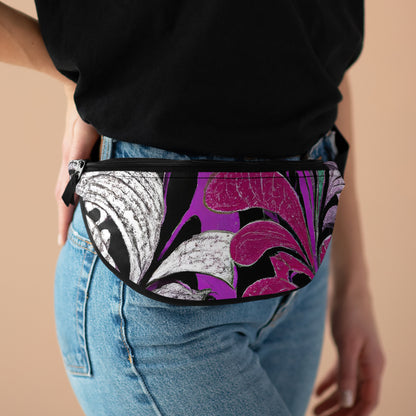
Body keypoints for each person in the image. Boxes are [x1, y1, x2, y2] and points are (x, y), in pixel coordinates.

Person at [0, 1, 385, 415]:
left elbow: (324, 56)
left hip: (303, 248)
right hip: (153, 288)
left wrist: (353, 285)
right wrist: (74, 80)